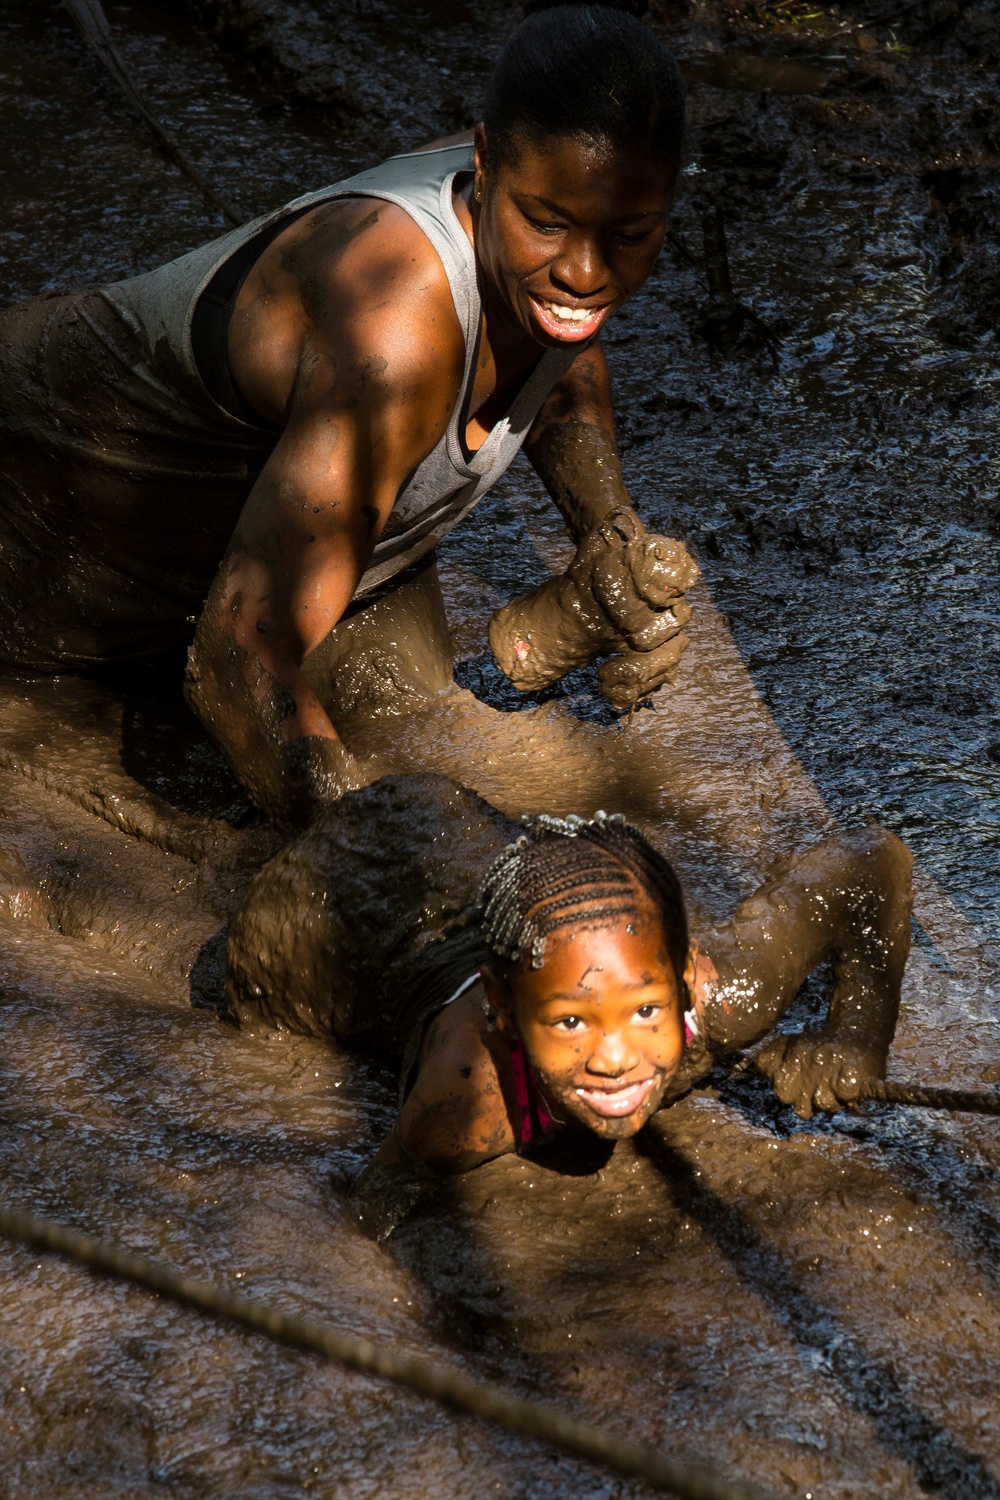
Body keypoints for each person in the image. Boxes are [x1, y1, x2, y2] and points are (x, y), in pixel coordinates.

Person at [0, 2, 698, 829]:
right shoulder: (393, 329)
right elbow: (238, 653)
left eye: (631, 234)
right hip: (45, 516)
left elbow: (568, 345)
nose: (586, 271)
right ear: (485, 164)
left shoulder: (543, 208)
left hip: (262, 545)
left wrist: (609, 531)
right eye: (548, 224)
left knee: (411, 717)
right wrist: (369, 877)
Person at [224, 774, 913, 1188]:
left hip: (450, 836)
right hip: (320, 911)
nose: (615, 1059)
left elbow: (871, 859)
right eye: (573, 1022)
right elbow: (374, 1206)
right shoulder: (466, 1105)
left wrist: (856, 1037)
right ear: (502, 1011)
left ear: (685, 978)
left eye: (647, 1010)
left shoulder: (726, 994)